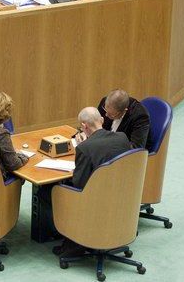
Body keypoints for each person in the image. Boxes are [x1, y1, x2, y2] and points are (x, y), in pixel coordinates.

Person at [51, 106, 133, 259]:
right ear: (102, 120)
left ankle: (73, 242)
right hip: (121, 194)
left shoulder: (85, 148)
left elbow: (78, 184)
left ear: (84, 126)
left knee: (51, 189)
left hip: (94, 201)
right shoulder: (122, 137)